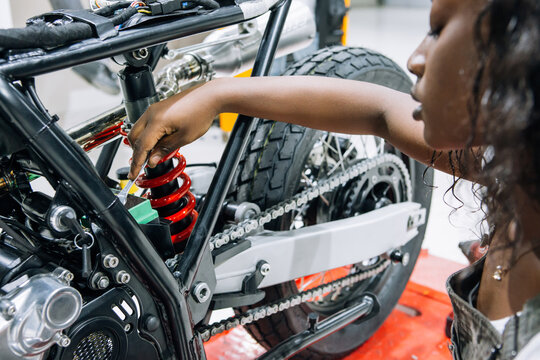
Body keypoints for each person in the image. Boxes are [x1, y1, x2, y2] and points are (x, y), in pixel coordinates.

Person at [126, 0, 540, 358]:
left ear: (522, 54)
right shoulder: (512, 158)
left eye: (439, 30)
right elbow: (379, 110)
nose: (415, 58)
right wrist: (216, 94)